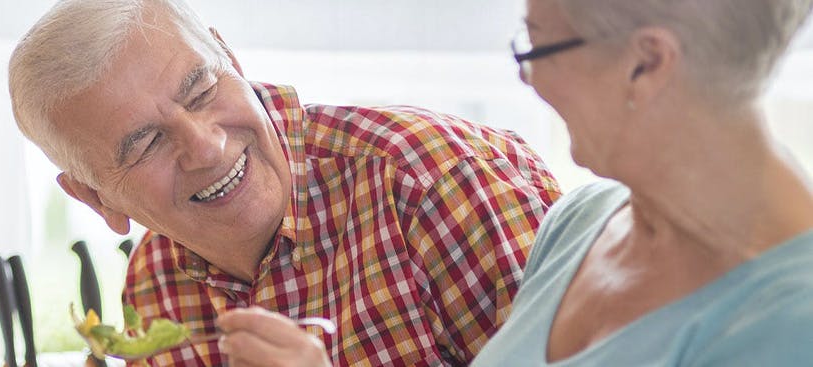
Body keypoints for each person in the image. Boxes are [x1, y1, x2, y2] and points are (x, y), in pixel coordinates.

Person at [220, 0, 813, 366]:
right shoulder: (580, 224)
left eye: (537, 43)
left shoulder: (790, 326)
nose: (526, 77)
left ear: (647, 63)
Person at [8, 0, 559, 365]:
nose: (206, 146)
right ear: (95, 198)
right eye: (146, 142)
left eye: (200, 90)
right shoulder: (154, 287)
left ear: (232, 59)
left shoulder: (428, 179)